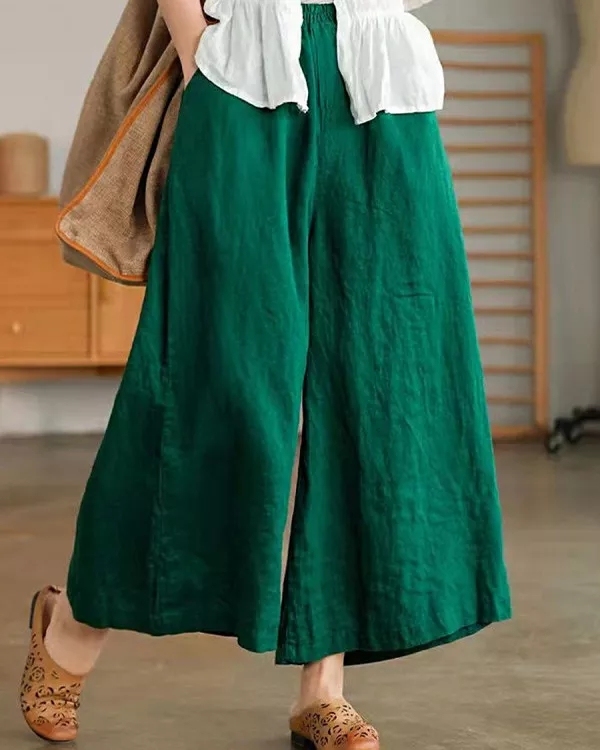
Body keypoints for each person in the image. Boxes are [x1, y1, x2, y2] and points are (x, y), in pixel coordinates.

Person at [19, 1, 512, 748]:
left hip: (379, 81)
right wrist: (197, 53)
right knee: (205, 376)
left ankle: (324, 687)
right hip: (245, 73)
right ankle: (75, 624)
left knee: (379, 380)